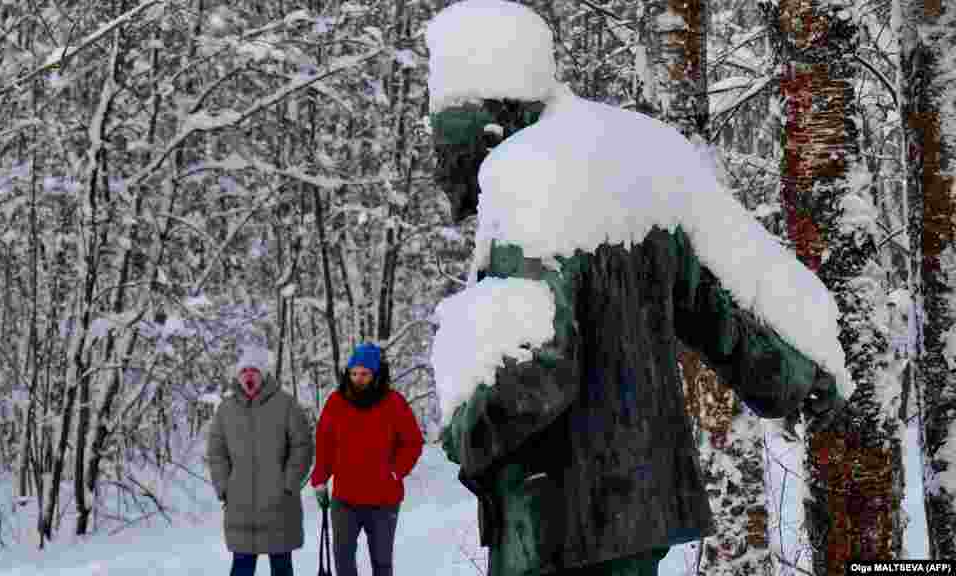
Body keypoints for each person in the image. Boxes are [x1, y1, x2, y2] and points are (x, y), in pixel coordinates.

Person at [426, 2, 848, 575]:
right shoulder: (641, 150)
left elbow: (536, 365)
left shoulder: (523, 177)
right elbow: (732, 290)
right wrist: (805, 374)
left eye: (445, 128)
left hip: (558, 519)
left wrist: (465, 428)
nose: (442, 158)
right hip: (642, 503)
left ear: (490, 113)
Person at [310, 343, 425, 576]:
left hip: (383, 501)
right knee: (343, 562)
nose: (358, 379)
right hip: (345, 499)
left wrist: (395, 471)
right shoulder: (336, 402)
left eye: (364, 374)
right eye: (353, 373)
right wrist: (320, 479)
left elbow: (413, 442)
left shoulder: (393, 403)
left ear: (375, 374)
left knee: (382, 564)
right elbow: (325, 445)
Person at [206, 343, 314, 576]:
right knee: (242, 568)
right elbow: (217, 452)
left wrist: (289, 484)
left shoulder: (285, 404)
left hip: (280, 506)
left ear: (264, 374)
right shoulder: (226, 410)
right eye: (244, 371)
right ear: (238, 376)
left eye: (253, 370)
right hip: (240, 506)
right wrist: (225, 487)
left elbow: (302, 446)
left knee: (281, 568)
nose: (248, 375)